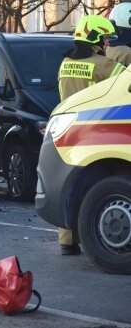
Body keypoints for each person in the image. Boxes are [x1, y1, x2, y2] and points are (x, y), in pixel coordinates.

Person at [56, 14, 124, 256]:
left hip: (70, 131)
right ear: (94, 37)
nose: (106, 44)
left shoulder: (65, 63)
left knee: (70, 186)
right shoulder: (103, 64)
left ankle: (66, 240)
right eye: (104, 39)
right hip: (98, 130)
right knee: (95, 186)